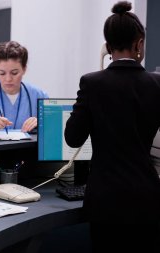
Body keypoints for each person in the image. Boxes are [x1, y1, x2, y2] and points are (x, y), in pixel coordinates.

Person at [64, 2, 160, 252]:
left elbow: (73, 138)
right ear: (140, 43)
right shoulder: (156, 84)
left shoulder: (92, 83)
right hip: (146, 199)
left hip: (106, 201)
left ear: (107, 47)